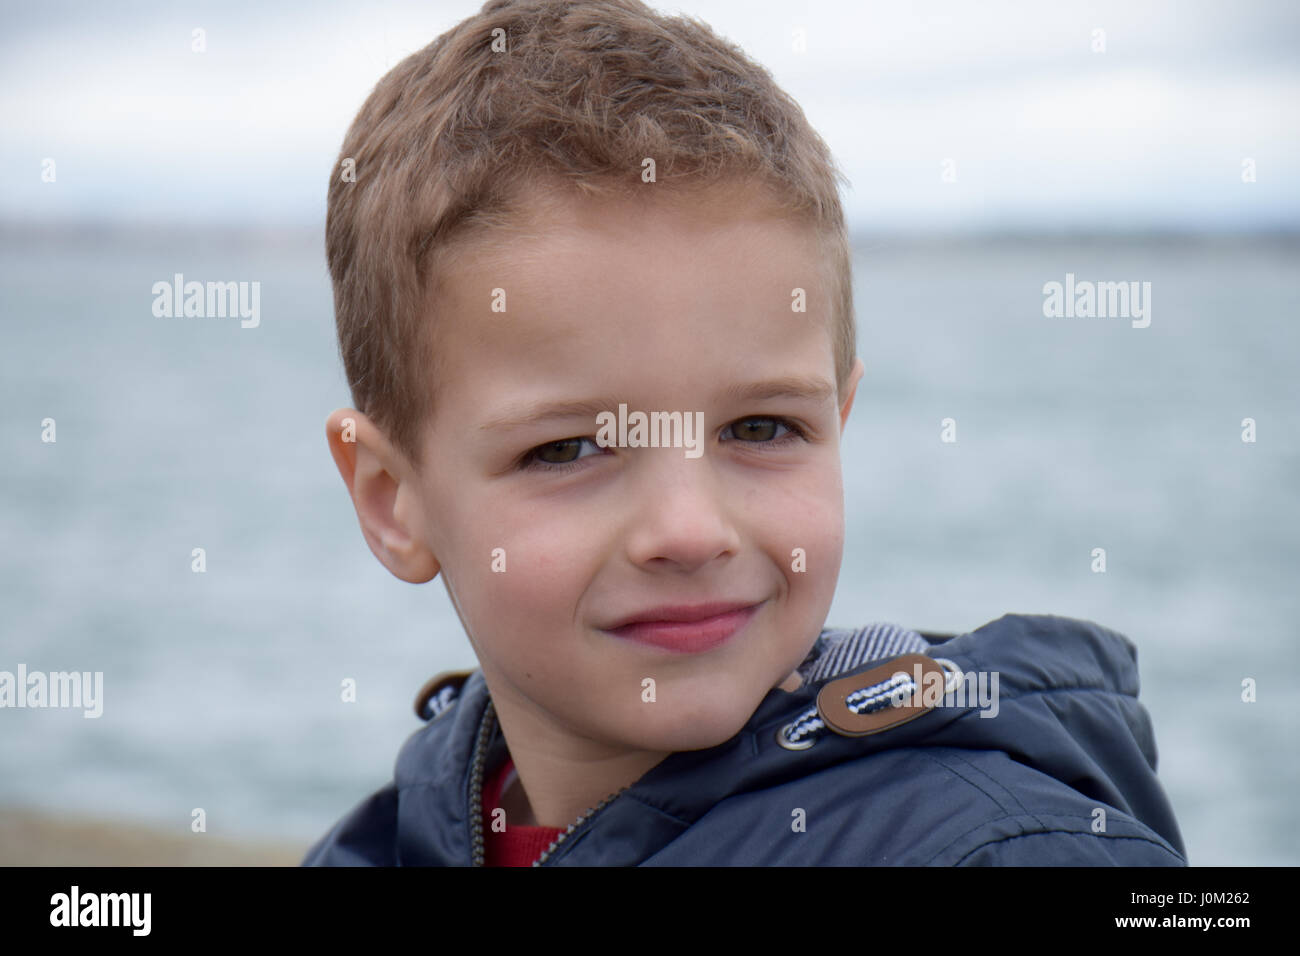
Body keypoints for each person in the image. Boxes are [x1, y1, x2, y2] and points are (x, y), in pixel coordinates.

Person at [303, 0, 1186, 866]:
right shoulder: (388, 844)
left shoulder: (998, 853)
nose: (689, 531)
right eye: (569, 449)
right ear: (392, 501)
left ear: (838, 424)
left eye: (760, 428)